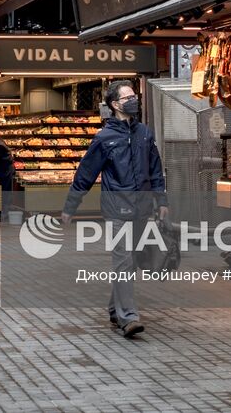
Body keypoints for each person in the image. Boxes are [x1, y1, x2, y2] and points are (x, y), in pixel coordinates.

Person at [62, 81, 167, 339]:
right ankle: (128, 317)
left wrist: (162, 201)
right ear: (115, 104)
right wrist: (70, 207)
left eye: (134, 96)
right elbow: (85, 174)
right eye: (128, 97)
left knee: (131, 262)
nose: (134, 100)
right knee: (123, 261)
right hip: (116, 209)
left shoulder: (145, 133)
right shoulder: (104, 138)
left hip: (142, 209)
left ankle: (114, 307)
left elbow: (155, 169)